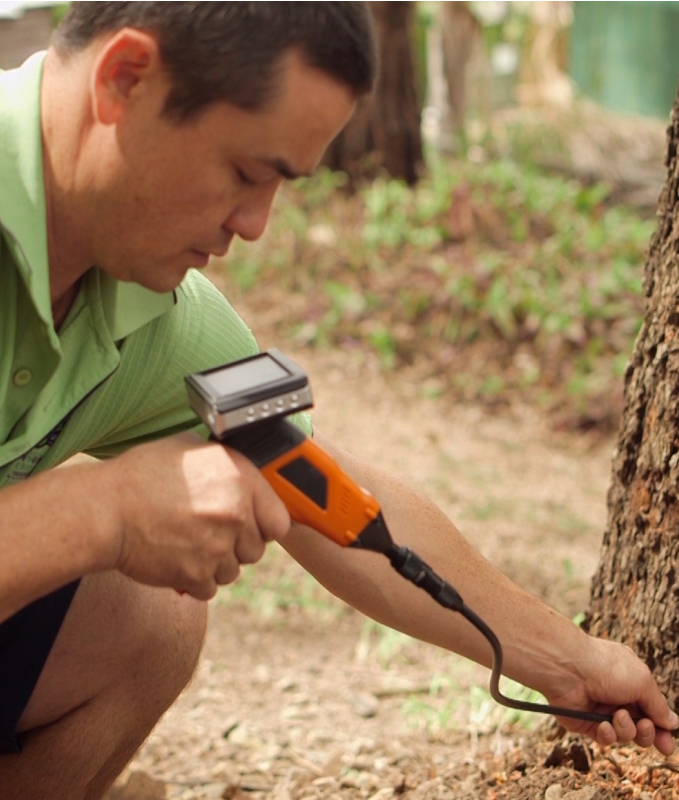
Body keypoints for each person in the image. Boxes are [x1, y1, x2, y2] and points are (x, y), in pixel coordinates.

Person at [0, 3, 676, 798]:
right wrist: (104, 510)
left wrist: (571, 663)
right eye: (247, 173)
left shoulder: (147, 307)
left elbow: (321, 489)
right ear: (124, 80)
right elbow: (106, 511)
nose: (253, 226)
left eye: (282, 184)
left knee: (147, 622)